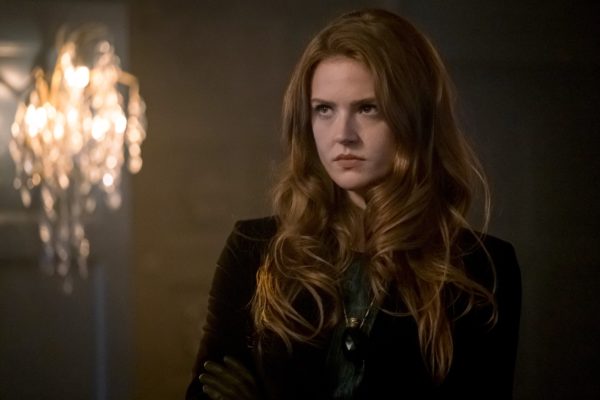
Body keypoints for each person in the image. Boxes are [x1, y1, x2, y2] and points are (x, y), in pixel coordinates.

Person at [185, 8, 521, 400]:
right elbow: (205, 392)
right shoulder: (255, 249)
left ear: (414, 117)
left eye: (367, 108)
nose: (342, 135)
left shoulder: (482, 269)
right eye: (324, 109)